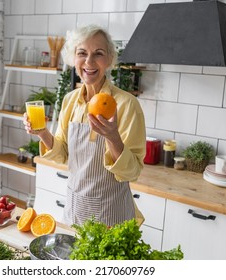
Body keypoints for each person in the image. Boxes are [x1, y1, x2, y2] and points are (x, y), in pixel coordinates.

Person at [23, 24, 146, 227]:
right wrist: (43, 132)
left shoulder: (126, 104)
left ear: (109, 60)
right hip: (76, 210)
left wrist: (113, 137)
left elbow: (132, 172)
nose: (89, 62)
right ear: (74, 59)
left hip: (111, 215)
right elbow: (62, 153)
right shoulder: (70, 100)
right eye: (82, 53)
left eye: (98, 53)